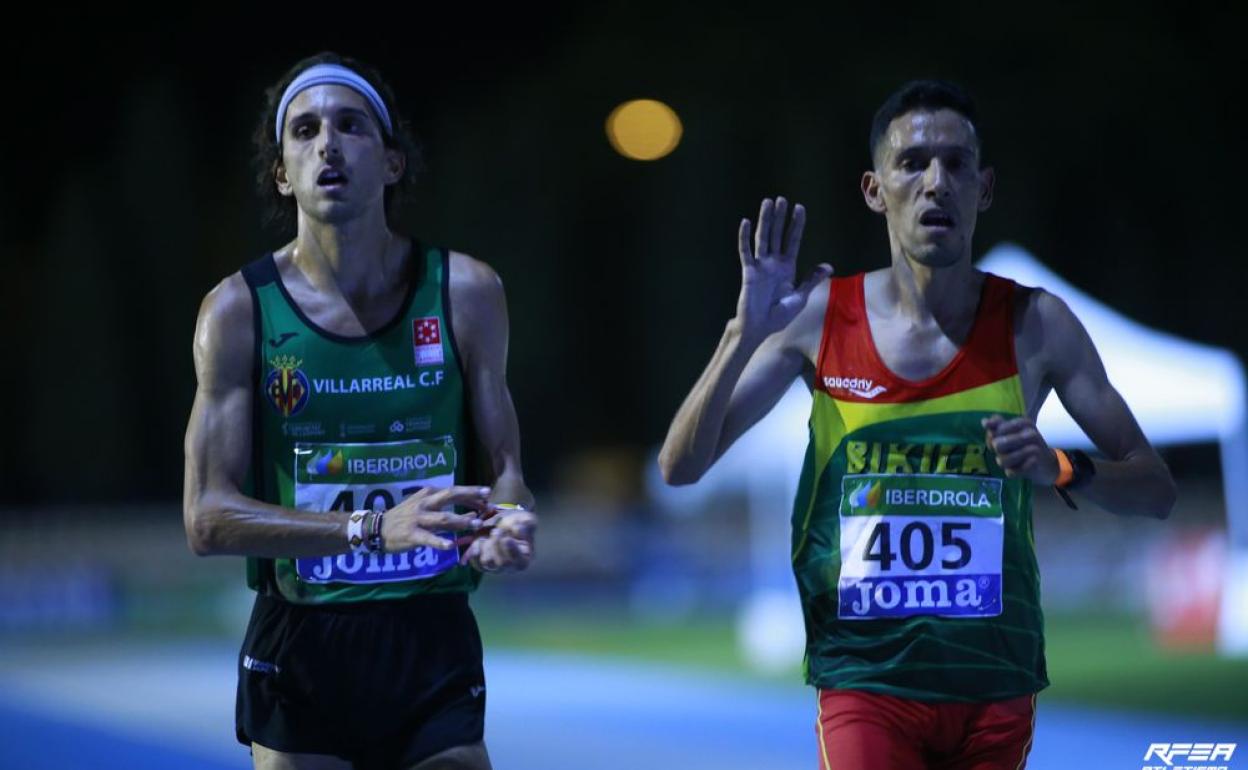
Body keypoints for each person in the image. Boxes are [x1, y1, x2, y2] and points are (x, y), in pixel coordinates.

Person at [658, 80, 1175, 769]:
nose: (937, 183)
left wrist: (1059, 466)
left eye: (957, 165)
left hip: (994, 681)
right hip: (867, 681)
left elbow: (1157, 489)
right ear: (875, 190)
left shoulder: (1038, 325)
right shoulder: (818, 318)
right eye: (914, 164)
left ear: (984, 189)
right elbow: (680, 467)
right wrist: (740, 332)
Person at [183, 51, 536, 770]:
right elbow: (206, 518)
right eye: (305, 130)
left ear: (393, 163)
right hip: (302, 639)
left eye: (351, 126)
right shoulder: (239, 311)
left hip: (430, 632)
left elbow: (507, 471)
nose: (328, 144)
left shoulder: (466, 292)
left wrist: (508, 522)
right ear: (283, 173)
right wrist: (373, 527)